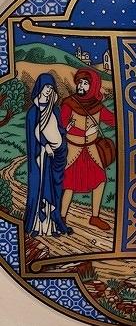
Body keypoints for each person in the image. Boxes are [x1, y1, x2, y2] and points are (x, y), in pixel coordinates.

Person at [60, 68, 115, 231]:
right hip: (73, 149)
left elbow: (113, 120)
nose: (81, 86)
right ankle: (61, 217)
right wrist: (84, 132)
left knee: (100, 180)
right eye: (80, 82)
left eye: (85, 83)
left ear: (93, 86)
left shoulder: (98, 106)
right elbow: (62, 125)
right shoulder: (69, 103)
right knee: (68, 184)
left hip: (91, 150)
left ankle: (95, 217)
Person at [25, 74, 72, 238]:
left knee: (55, 189)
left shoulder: (55, 110)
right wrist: (45, 146)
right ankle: (38, 226)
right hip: (42, 158)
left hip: (56, 156)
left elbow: (58, 130)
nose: (48, 90)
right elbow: (34, 136)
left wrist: (66, 130)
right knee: (41, 188)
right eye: (46, 87)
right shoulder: (33, 112)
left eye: (51, 88)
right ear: (40, 87)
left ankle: (53, 226)